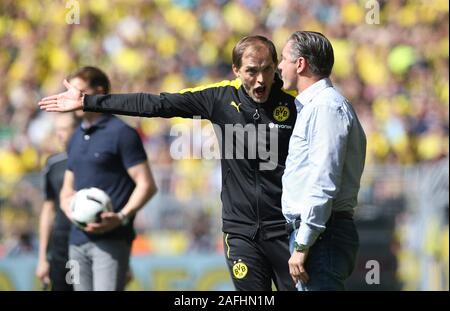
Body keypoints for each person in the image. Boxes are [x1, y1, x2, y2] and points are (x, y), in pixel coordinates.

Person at [38, 36, 298, 291]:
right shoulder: (220, 98)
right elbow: (156, 103)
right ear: (236, 71)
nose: (261, 79)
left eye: (267, 69)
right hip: (240, 231)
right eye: (252, 71)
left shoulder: (296, 104)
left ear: (276, 66)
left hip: (284, 229)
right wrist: (87, 102)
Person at [278, 31, 367, 291]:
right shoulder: (318, 106)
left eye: (284, 59)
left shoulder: (325, 107)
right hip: (318, 233)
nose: (280, 66)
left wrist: (304, 243)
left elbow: (324, 180)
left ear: (301, 64)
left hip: (321, 236)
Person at [58, 66, 157, 291]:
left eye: (79, 91)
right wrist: (70, 210)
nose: (73, 97)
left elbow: (147, 185)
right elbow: (67, 189)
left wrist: (121, 216)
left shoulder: (122, 133)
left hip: (111, 239)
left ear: (99, 92)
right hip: (77, 240)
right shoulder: (75, 137)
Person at [36, 113, 79, 291]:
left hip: (93, 239)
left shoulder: (100, 159)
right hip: (62, 243)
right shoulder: (54, 164)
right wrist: (42, 258)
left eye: (64, 129)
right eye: (57, 130)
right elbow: (48, 210)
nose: (59, 134)